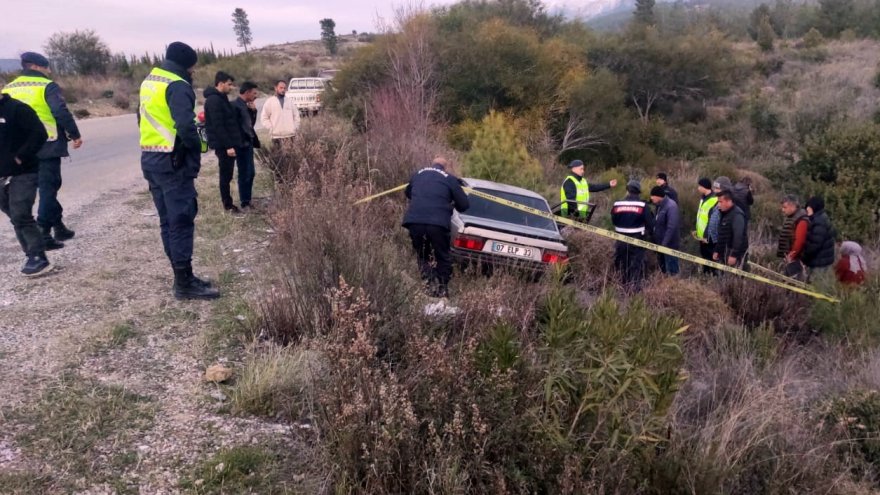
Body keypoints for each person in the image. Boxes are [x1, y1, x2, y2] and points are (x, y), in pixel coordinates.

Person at [139, 41, 219, 300]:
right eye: (193, 68)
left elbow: (141, 118)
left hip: (151, 158)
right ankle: (184, 283)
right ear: (187, 65)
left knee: (167, 221)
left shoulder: (150, 81)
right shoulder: (178, 86)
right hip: (173, 163)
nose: (194, 72)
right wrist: (199, 148)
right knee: (181, 221)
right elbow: (185, 126)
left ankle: (180, 276)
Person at [2, 52, 82, 250]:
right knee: (48, 188)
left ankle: (59, 226)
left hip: (18, 149)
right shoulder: (47, 86)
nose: (49, 71)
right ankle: (43, 232)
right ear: (37, 67)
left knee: (40, 189)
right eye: (47, 67)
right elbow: (60, 111)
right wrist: (74, 134)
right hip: (46, 143)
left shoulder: (9, 87)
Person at [402, 157, 469, 298]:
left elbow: (408, 193)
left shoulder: (417, 174)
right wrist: (450, 200)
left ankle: (428, 284)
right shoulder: (450, 179)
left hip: (415, 222)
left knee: (422, 255)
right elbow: (464, 206)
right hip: (438, 224)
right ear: (445, 167)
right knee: (442, 256)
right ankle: (442, 288)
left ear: (432, 164)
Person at [0, 92, 52, 276]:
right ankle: (32, 248)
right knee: (13, 214)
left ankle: (37, 256)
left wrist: (20, 156)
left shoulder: (17, 109)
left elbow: (39, 133)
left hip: (24, 172)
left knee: (21, 213)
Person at [204, 71, 244, 213]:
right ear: (220, 84)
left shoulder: (221, 98)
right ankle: (227, 205)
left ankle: (228, 203)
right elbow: (218, 125)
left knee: (228, 175)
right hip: (223, 146)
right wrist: (228, 146)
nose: (231, 87)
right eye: (229, 84)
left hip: (228, 144)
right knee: (225, 175)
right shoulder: (214, 100)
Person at [611, 180, 654, 291]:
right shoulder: (642, 205)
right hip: (637, 240)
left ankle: (623, 288)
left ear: (627, 190)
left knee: (622, 264)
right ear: (638, 192)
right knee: (636, 265)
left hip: (620, 240)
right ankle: (634, 290)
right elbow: (650, 223)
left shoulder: (617, 204)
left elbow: (614, 220)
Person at [259, 79, 300, 178]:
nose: (283, 90)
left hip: (290, 135)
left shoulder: (290, 102)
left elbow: (297, 116)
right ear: (276, 88)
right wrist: (271, 127)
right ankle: (280, 179)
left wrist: (294, 128)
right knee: (278, 159)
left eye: (284, 88)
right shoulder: (270, 102)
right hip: (276, 136)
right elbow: (264, 118)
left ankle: (290, 177)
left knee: (290, 158)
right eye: (281, 88)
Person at [233, 81, 261, 210]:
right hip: (240, 144)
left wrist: (254, 112)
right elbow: (233, 127)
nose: (255, 95)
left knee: (251, 173)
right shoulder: (235, 105)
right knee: (244, 172)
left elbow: (250, 125)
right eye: (254, 93)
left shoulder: (246, 105)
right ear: (247, 92)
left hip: (248, 143)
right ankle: (244, 201)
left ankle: (248, 200)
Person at [650, 186, 681, 275]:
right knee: (663, 270)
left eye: (652, 196)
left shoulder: (671, 206)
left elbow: (671, 227)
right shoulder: (659, 206)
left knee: (672, 271)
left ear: (658, 196)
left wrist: (664, 244)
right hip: (660, 244)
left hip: (670, 245)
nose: (651, 198)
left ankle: (674, 286)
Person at [713, 190, 749, 269]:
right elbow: (722, 235)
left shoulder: (737, 215)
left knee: (735, 279)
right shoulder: (724, 214)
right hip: (724, 254)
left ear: (728, 201)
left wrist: (734, 255)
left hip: (735, 256)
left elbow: (738, 236)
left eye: (720, 202)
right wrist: (717, 250)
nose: (718, 205)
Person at [776, 194, 809, 281]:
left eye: (784, 207)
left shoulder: (801, 220)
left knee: (792, 283)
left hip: (796, 260)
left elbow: (799, 241)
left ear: (792, 206)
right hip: (791, 259)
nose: (782, 210)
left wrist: (791, 256)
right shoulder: (793, 217)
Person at [803, 196, 836, 278]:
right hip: (822, 260)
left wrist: (803, 256)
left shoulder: (819, 222)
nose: (807, 209)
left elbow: (814, 244)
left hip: (819, 262)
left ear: (814, 207)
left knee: (815, 285)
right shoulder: (820, 218)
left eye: (809, 207)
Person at [694, 178, 718, 274]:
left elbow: (712, 221)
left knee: (711, 259)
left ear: (705, 187)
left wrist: (706, 236)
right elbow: (701, 215)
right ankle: (705, 275)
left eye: (700, 186)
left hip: (708, 237)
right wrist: (697, 229)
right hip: (701, 235)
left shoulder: (714, 200)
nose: (698, 188)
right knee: (704, 258)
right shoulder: (703, 198)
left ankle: (712, 277)